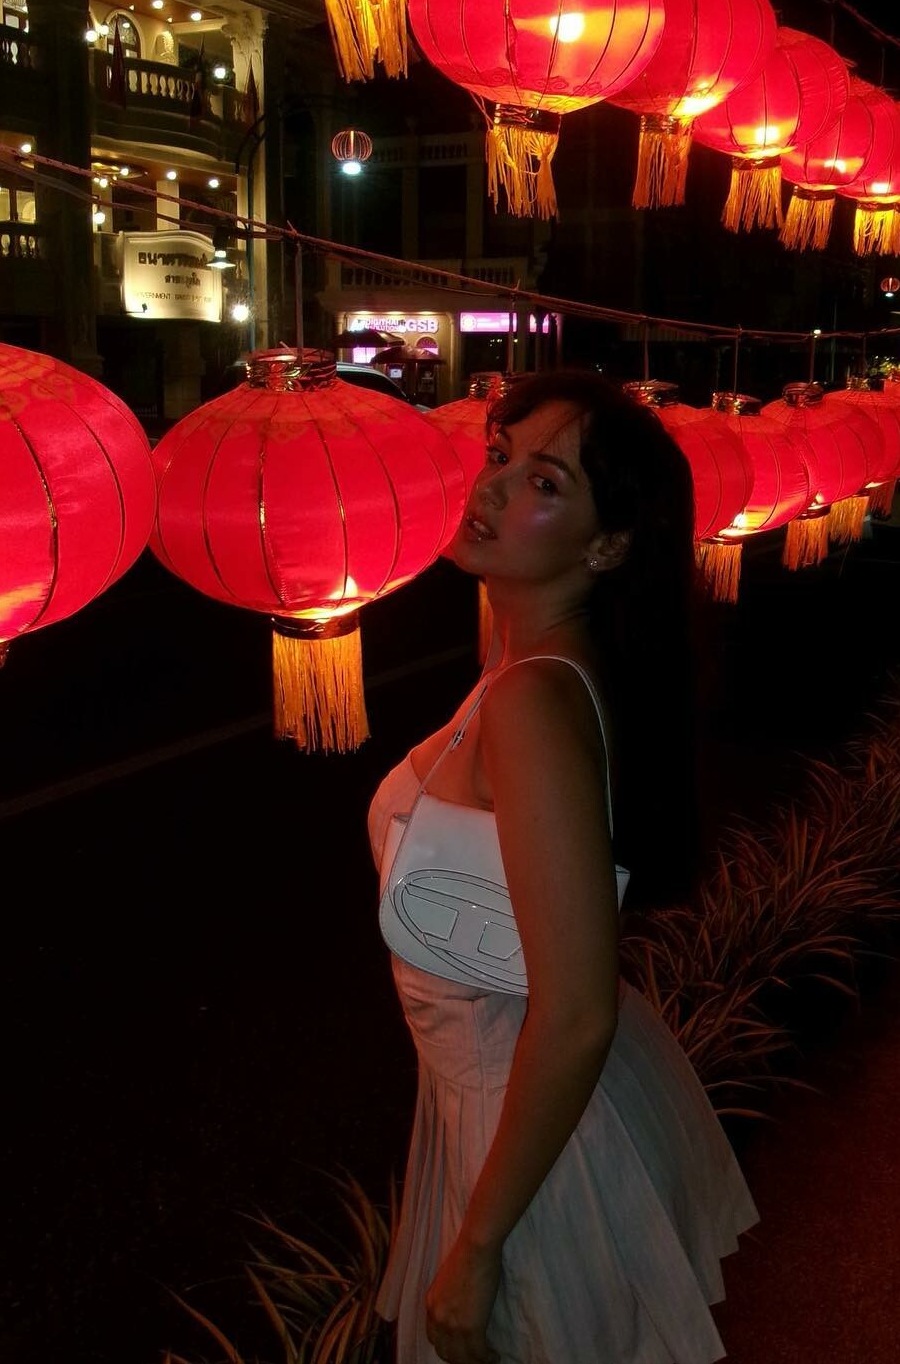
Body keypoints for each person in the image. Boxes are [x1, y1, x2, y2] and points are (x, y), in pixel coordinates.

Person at [367, 370, 759, 1364]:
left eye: (544, 481)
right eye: (500, 457)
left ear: (607, 545)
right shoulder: (531, 660)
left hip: (525, 1140)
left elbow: (578, 1007)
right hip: (506, 1107)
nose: (491, 488)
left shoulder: (534, 698)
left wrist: (479, 1245)